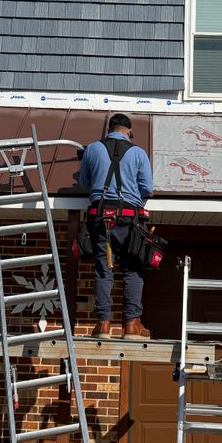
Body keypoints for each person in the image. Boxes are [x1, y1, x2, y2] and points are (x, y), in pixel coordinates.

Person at [77, 113, 153, 339]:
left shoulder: (92, 149)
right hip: (129, 218)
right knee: (132, 269)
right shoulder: (139, 153)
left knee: (103, 269)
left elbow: (84, 182)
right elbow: (147, 188)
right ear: (129, 132)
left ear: (109, 129)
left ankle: (103, 325)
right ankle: (131, 324)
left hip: (101, 217)